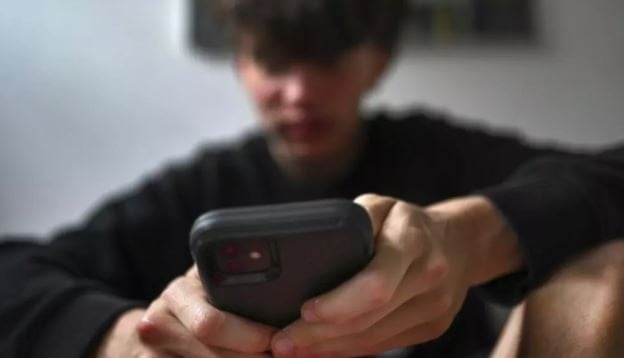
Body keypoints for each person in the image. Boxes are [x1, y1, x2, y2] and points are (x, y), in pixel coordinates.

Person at [0, 1, 623, 357]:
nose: (298, 93)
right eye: (273, 61)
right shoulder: (200, 189)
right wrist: (120, 343)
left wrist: (470, 237)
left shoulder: (435, 153)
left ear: (376, 62)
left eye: (325, 59)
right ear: (242, 65)